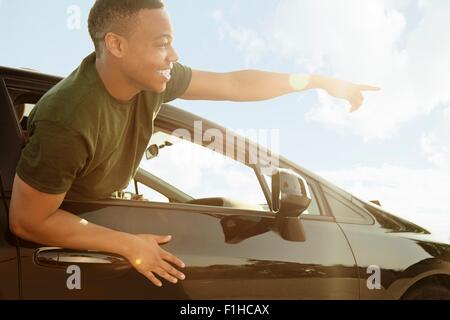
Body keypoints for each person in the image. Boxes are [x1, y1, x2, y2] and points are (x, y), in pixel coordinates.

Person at [9, 0, 380, 288]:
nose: (174, 56)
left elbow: (236, 85)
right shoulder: (69, 118)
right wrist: (128, 245)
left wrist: (318, 81)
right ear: (116, 45)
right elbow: (28, 220)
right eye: (162, 44)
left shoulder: (151, 79)